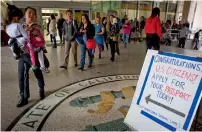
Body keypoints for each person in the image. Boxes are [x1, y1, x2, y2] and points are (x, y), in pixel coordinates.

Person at [7, 5, 45, 107]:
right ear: (25, 15)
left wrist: (37, 47)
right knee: (22, 76)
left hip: (34, 55)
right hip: (22, 55)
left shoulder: (38, 27)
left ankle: (41, 89)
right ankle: (24, 96)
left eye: (33, 13)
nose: (32, 15)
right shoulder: (19, 26)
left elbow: (41, 41)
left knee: (38, 73)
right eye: (29, 13)